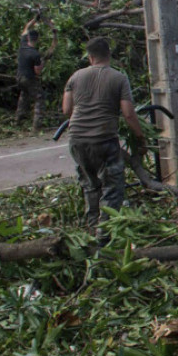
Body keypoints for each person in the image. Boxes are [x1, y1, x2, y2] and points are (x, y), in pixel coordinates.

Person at [62, 37, 145, 241]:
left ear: (90, 57)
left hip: (77, 140)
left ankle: (92, 230)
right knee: (112, 188)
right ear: (109, 55)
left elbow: (66, 110)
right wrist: (140, 137)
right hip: (104, 139)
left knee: (90, 184)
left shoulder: (75, 77)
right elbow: (128, 113)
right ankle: (104, 235)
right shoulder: (118, 78)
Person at [15, 18, 45, 131]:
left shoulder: (22, 45)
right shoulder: (35, 54)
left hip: (18, 77)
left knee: (24, 95)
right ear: (37, 40)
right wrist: (42, 64)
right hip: (28, 78)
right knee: (40, 97)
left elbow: (26, 27)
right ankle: (37, 126)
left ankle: (18, 121)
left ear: (28, 37)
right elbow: (37, 71)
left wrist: (35, 18)